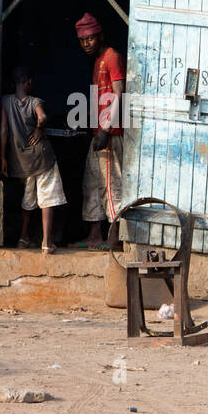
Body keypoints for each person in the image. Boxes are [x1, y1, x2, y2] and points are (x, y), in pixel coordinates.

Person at [1, 67, 67, 253]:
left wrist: (3, 158)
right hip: (42, 158)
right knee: (48, 198)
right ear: (29, 82)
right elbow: (43, 117)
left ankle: (23, 239)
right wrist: (39, 129)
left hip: (21, 161)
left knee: (27, 199)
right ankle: (46, 243)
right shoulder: (35, 101)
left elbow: (4, 130)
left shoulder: (5, 101)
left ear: (14, 84)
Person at [75, 13, 124, 249]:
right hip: (98, 132)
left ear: (100, 36)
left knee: (111, 185)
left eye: (90, 39)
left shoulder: (111, 56)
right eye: (83, 40)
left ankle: (114, 238)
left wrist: (106, 129)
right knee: (92, 183)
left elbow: (118, 94)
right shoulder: (97, 61)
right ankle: (95, 235)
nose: (86, 44)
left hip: (110, 135)